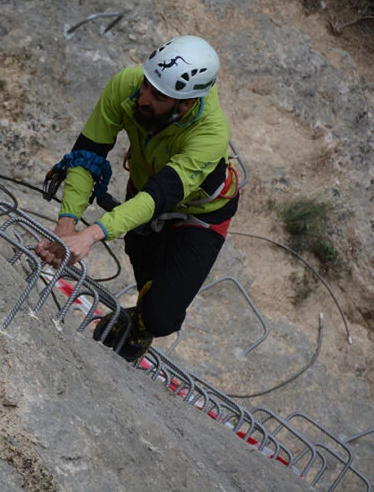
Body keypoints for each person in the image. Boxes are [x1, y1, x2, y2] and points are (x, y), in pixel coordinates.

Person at [35, 35, 240, 361]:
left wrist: (89, 235)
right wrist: (64, 228)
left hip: (201, 213)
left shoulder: (210, 133)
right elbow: (87, 156)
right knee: (146, 271)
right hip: (145, 188)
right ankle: (145, 311)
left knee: (162, 317)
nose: (142, 98)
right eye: (145, 85)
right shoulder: (128, 86)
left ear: (185, 104)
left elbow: (158, 197)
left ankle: (142, 321)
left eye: (157, 96)